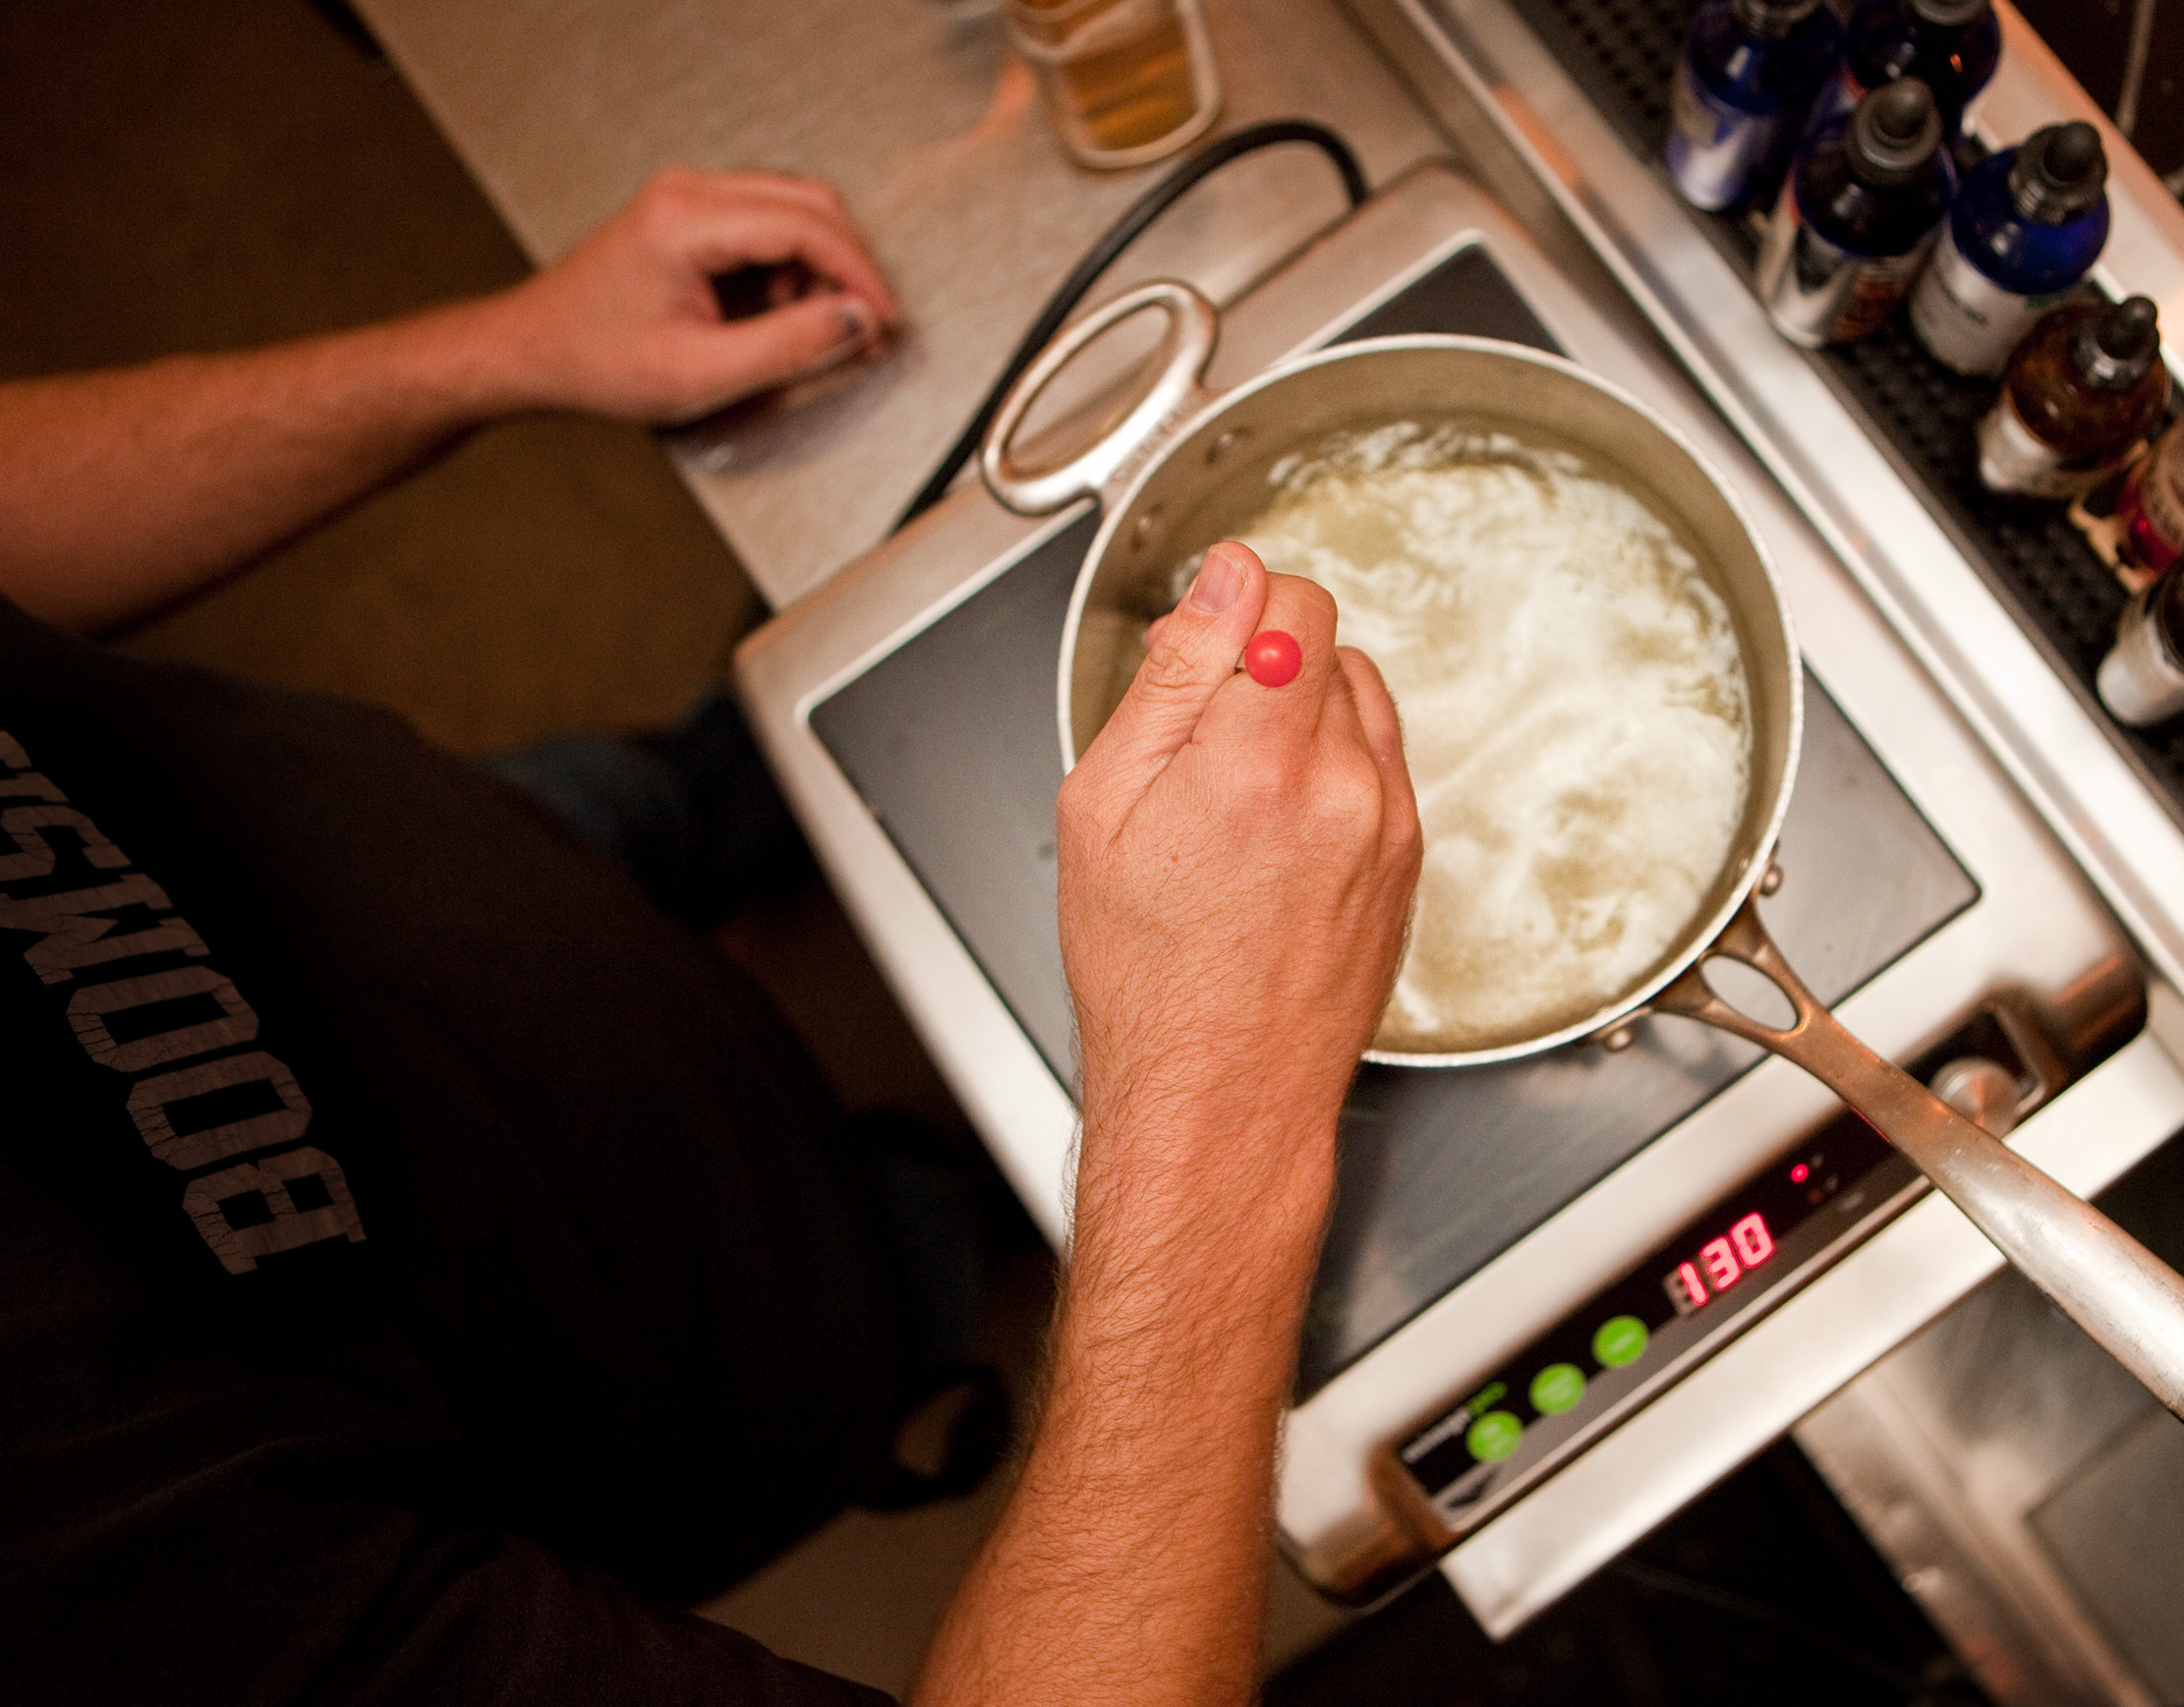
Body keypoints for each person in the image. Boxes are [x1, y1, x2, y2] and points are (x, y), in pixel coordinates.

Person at [0, 167, 1422, 1705]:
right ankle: (972, 1226)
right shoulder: (105, 1599)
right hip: (683, 1341)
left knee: (661, 791)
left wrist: (501, 351)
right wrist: (1216, 1112)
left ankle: (715, 802)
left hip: (444, 849)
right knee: (895, 1253)